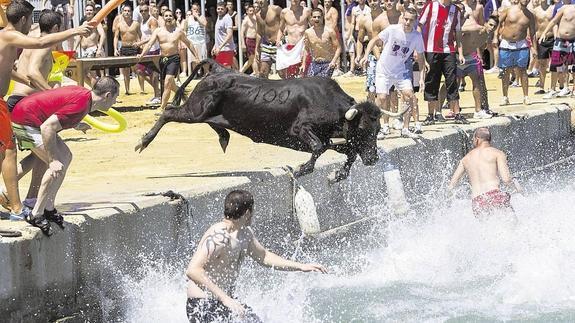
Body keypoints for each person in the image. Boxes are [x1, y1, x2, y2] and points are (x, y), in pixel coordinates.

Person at [0, 0, 91, 221]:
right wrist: (75, 30)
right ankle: (17, 207)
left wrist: (37, 88)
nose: (31, 24)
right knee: (9, 153)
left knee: (8, 153)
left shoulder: (6, 39)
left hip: (5, 101)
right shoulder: (8, 35)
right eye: (30, 20)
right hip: (6, 105)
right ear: (22, 19)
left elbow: (9, 72)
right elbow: (40, 43)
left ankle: (19, 202)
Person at [185, 190, 327, 322]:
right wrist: (225, 299)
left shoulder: (245, 234)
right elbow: (193, 270)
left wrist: (301, 266)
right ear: (247, 213)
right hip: (202, 304)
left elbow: (264, 256)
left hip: (223, 302)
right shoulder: (219, 236)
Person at [9, 77, 119, 235]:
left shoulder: (86, 97)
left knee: (66, 156)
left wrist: (76, 124)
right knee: (56, 164)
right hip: (23, 121)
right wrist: (52, 160)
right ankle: (36, 214)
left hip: (31, 118)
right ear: (108, 95)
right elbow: (48, 127)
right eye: (116, 98)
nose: (115, 102)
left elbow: (60, 108)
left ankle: (48, 207)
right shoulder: (81, 105)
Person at [361, 8, 426, 139]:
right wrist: (366, 56)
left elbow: (421, 58)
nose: (407, 22)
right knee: (382, 98)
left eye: (411, 20)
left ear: (415, 21)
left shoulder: (416, 36)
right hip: (383, 69)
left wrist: (422, 78)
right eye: (405, 19)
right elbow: (373, 40)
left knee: (409, 95)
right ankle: (378, 128)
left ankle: (406, 128)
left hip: (400, 71)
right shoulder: (392, 29)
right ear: (402, 17)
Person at [448, 127, 522, 218]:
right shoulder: (498, 153)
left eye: (473, 139)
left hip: (478, 202)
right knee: (512, 227)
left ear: (477, 139)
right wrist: (517, 188)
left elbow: (451, 186)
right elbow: (506, 180)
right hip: (495, 196)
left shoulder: (465, 159)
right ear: (489, 139)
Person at [138, 9, 199, 111]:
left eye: (170, 16)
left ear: (173, 18)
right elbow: (149, 44)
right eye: (166, 16)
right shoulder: (158, 31)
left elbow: (189, 43)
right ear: (163, 17)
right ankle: (187, 99)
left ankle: (162, 108)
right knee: (171, 85)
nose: (168, 18)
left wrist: (196, 57)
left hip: (174, 59)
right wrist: (142, 54)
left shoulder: (178, 31)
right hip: (163, 60)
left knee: (167, 82)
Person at [419, 0, 469, 125]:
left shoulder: (455, 10)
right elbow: (420, 25)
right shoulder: (430, 5)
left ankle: (457, 114)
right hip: (431, 49)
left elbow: (457, 32)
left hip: (449, 50)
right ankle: (431, 115)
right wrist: (417, 48)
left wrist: (460, 53)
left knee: (452, 80)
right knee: (431, 81)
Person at [496, 0, 536, 106]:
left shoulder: (530, 15)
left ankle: (526, 96)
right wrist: (495, 37)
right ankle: (505, 96)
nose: (525, 0)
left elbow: (532, 33)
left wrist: (534, 48)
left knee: (522, 70)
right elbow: (497, 22)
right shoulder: (508, 10)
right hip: (506, 43)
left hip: (521, 43)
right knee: (505, 71)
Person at [540, 0, 575, 98]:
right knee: (555, 65)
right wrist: (544, 33)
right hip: (560, 40)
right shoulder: (564, 8)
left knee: (570, 66)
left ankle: (568, 88)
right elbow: (554, 21)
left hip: (572, 41)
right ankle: (552, 89)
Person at [275, 0, 311, 78]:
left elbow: (313, 27)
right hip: (291, 46)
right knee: (290, 75)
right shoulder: (284, 12)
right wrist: (278, 39)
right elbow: (281, 29)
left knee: (304, 74)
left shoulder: (306, 11)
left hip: (303, 46)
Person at [135, 1, 161, 104]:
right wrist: (141, 44)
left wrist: (141, 42)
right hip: (146, 50)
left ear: (149, 10)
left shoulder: (152, 21)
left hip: (154, 49)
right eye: (141, 11)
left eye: (145, 10)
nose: (144, 12)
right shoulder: (142, 21)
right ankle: (158, 91)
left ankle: (157, 95)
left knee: (154, 74)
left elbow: (154, 36)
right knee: (139, 70)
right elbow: (145, 35)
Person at [302, 8, 341, 77]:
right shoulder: (308, 32)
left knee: (322, 84)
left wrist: (334, 61)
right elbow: (306, 49)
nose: (317, 19)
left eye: (319, 17)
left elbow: (338, 48)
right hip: (314, 62)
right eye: (314, 17)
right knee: (310, 83)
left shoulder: (330, 31)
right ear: (311, 18)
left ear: (322, 17)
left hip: (327, 63)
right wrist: (303, 64)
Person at [75, 3, 106, 85]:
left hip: (94, 50)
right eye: (87, 10)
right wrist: (74, 49)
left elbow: (102, 35)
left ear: (94, 12)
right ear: (85, 12)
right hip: (85, 51)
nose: (89, 12)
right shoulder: (84, 23)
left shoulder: (96, 22)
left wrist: (99, 48)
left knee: (96, 73)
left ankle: (98, 91)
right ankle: (95, 90)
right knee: (86, 73)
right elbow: (79, 36)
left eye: (91, 10)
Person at [114, 4, 141, 95]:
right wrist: (115, 49)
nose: (127, 12)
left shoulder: (136, 23)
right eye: (125, 11)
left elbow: (140, 36)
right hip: (124, 48)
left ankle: (142, 89)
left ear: (131, 12)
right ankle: (127, 90)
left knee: (137, 70)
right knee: (125, 71)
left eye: (128, 11)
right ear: (122, 12)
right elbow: (116, 37)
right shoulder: (119, 25)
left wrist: (140, 46)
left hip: (134, 48)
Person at [531, 0, 554, 95]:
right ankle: (541, 86)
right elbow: (532, 28)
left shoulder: (553, 8)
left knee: (556, 64)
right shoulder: (535, 11)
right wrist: (533, 45)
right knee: (542, 64)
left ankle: (554, 87)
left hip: (552, 37)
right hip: (541, 39)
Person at [255, 0, 282, 78]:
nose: (260, 1)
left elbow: (286, 22)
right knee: (263, 72)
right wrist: (256, 49)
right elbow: (259, 33)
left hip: (278, 45)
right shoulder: (258, 15)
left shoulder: (276, 9)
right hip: (266, 45)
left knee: (282, 73)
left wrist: (282, 35)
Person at [185, 3, 209, 75]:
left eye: (197, 9)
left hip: (201, 42)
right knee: (193, 60)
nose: (196, 11)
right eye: (194, 9)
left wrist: (197, 17)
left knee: (203, 59)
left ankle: (206, 73)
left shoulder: (202, 17)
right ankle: (195, 74)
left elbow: (204, 24)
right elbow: (185, 29)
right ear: (192, 10)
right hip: (192, 42)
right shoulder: (188, 19)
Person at [213, 1, 236, 68]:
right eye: (218, 9)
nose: (220, 10)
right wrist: (215, 46)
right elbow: (219, 34)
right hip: (220, 49)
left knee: (226, 70)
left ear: (225, 9)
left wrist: (220, 47)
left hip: (226, 49)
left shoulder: (227, 18)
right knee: (219, 70)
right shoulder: (219, 17)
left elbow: (229, 35)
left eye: (222, 9)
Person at [240, 4, 258, 74]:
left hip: (255, 40)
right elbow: (242, 33)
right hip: (249, 40)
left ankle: (254, 72)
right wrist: (243, 43)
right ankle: (254, 72)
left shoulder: (255, 19)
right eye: (250, 11)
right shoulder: (246, 20)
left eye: (252, 11)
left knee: (253, 59)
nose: (251, 12)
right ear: (247, 11)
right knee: (252, 58)